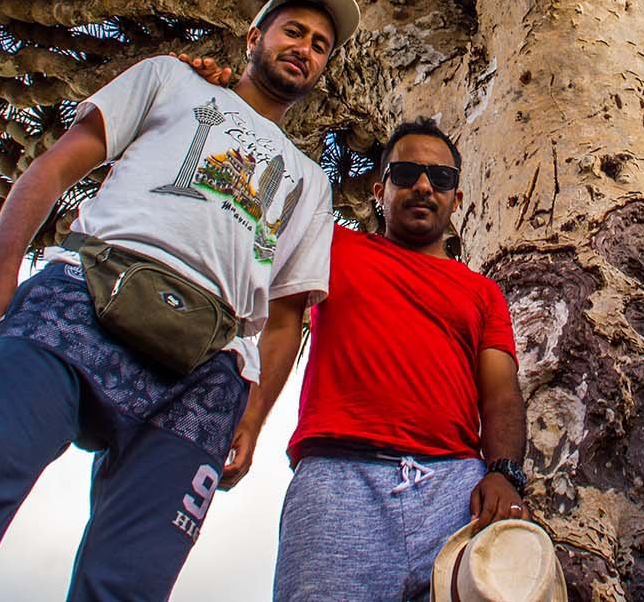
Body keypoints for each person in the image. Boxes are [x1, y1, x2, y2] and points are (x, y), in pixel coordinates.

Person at [0, 0, 361, 601]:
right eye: (294, 32)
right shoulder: (171, 79)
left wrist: (253, 418)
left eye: (321, 45)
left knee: (131, 582)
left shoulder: (311, 181)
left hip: (207, 370)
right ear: (255, 38)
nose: (304, 48)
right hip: (81, 297)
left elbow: (284, 319)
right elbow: (59, 163)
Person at [221, 115, 528, 602]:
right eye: (406, 174)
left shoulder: (483, 292)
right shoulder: (329, 247)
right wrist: (250, 420)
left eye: (441, 178)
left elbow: (501, 393)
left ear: (458, 200)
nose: (424, 186)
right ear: (378, 190)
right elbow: (280, 328)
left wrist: (504, 473)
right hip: (339, 478)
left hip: (455, 487)